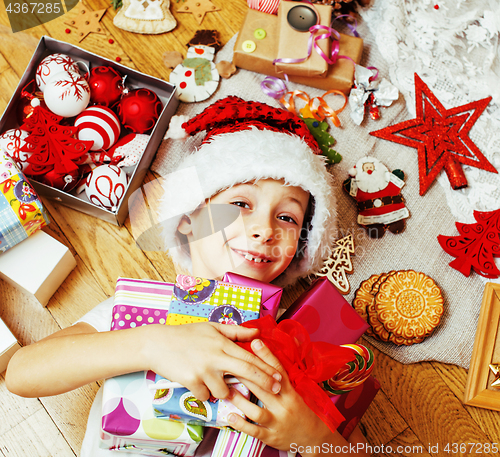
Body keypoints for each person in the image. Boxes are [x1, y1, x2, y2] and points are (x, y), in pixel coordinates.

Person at [6, 96, 369, 457]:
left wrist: (310, 438)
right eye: (241, 204)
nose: (263, 228)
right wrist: (153, 344)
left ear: (301, 249)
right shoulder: (142, 309)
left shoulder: (312, 346)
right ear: (186, 221)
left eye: (288, 218)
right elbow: (23, 372)